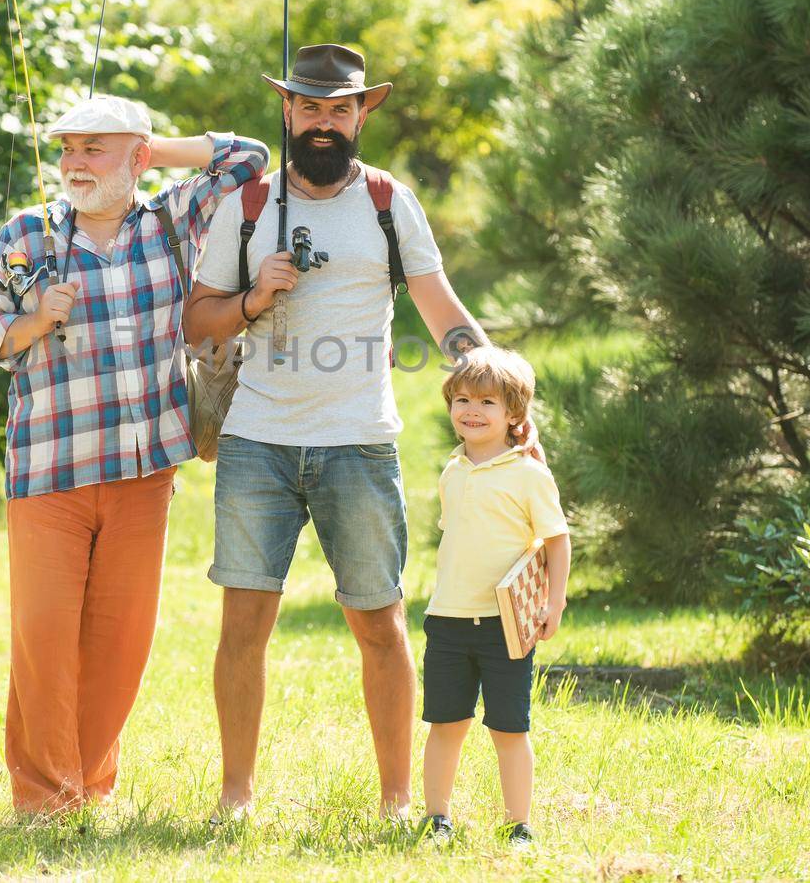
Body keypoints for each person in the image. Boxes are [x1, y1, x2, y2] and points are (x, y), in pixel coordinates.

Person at [183, 43, 521, 821]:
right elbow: (199, 325)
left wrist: (489, 375)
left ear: (362, 113)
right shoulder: (245, 207)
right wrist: (251, 301)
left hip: (360, 443)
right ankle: (235, 797)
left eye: (340, 109)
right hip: (255, 443)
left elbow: (440, 306)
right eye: (310, 108)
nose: (325, 123)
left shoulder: (386, 201)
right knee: (243, 625)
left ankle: (398, 801)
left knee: (380, 620)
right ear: (288, 112)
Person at [0, 94, 268, 815]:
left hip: (144, 473)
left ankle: (87, 787)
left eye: (94, 148)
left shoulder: (170, 219)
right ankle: (43, 798)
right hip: (50, 469)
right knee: (44, 638)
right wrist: (33, 322)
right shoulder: (27, 235)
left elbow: (249, 157)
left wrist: (157, 152)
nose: (73, 163)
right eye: (68, 149)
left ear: (137, 156)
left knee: (120, 643)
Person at [418, 346, 570, 846]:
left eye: (486, 402)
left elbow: (556, 541)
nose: (472, 411)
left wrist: (555, 602)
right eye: (462, 399)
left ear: (513, 414)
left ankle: (518, 825)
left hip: (506, 624)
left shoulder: (529, 474)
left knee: (509, 728)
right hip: (447, 620)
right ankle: (438, 818)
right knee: (446, 723)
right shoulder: (452, 471)